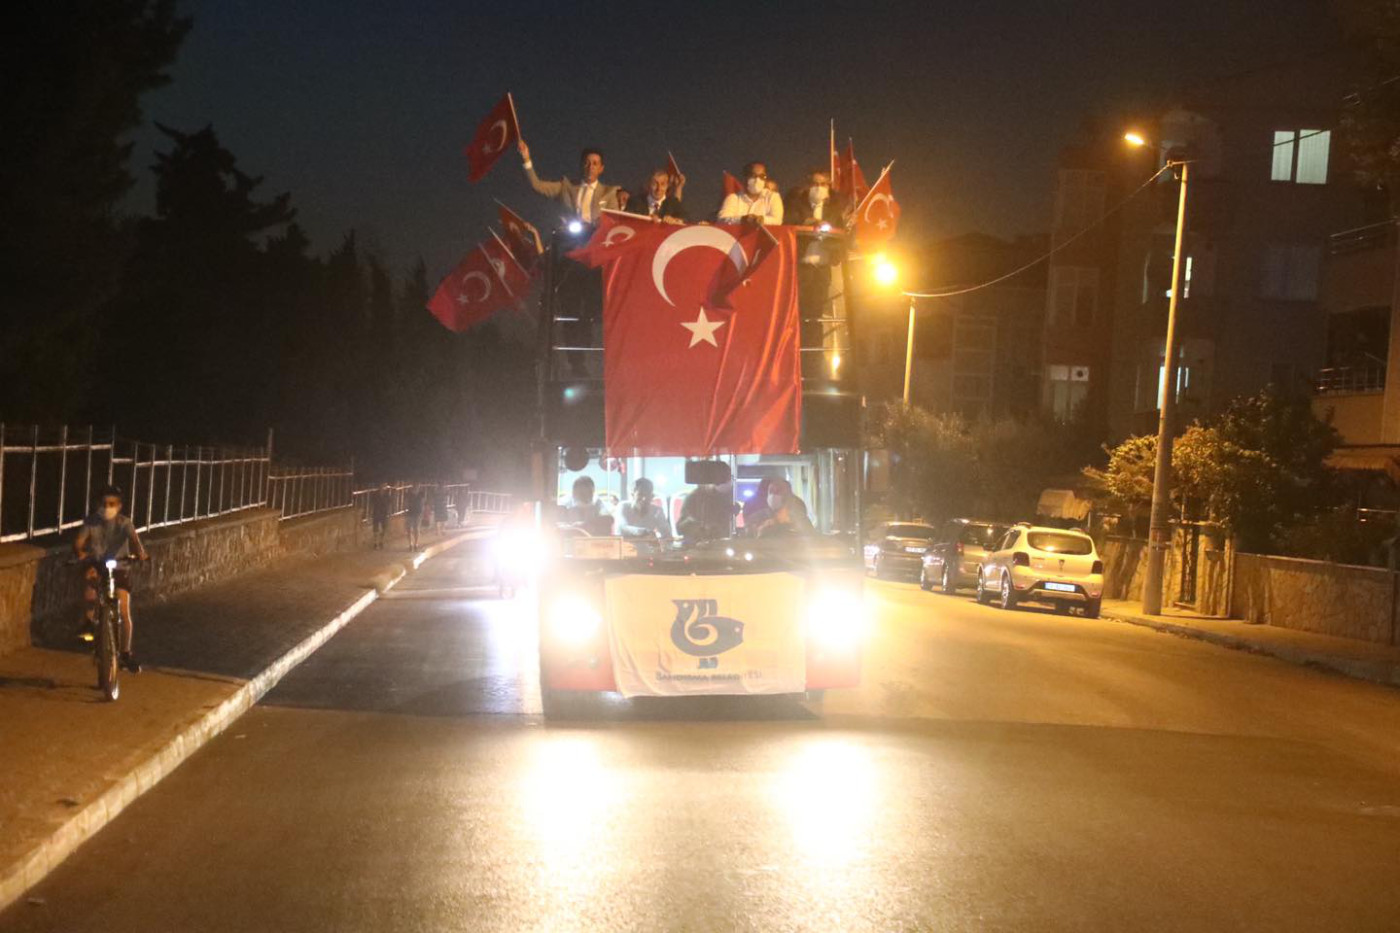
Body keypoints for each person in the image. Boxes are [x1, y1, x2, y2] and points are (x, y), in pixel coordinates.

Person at [73, 485, 150, 673]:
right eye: (104, 503)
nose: (107, 507)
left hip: (120, 567)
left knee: (123, 611)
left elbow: (136, 542)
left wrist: (141, 555)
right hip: (97, 565)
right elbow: (79, 542)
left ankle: (126, 652)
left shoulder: (125, 524)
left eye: (112, 504)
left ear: (119, 506)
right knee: (90, 588)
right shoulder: (91, 522)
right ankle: (89, 623)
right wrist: (81, 553)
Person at [517, 140, 622, 225]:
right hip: (572, 238)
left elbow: (615, 222)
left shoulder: (609, 193)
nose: (590, 167)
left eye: (595, 164)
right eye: (587, 163)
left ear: (601, 169)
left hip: (596, 239)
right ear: (582, 165)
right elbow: (537, 185)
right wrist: (526, 158)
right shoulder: (566, 187)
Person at [718, 162, 784, 226]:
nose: (757, 179)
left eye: (762, 176)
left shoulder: (773, 197)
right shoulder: (733, 198)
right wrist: (742, 219)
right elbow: (722, 220)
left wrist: (762, 219)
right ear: (745, 178)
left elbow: (777, 220)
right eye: (753, 176)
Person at [746, 478, 814, 537]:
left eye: (778, 491)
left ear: (788, 496)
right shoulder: (756, 518)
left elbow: (812, 540)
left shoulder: (800, 519)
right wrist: (762, 531)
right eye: (771, 491)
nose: (773, 495)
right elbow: (747, 541)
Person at [785, 168, 849, 230]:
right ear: (808, 186)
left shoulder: (836, 206)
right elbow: (789, 222)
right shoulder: (796, 203)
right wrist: (807, 222)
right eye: (815, 184)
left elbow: (841, 227)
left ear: (828, 186)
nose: (819, 187)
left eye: (823, 184)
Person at [369, 482, 392, 549]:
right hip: (376, 512)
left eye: (384, 486)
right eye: (382, 485)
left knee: (384, 528)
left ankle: (381, 541)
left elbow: (389, 504)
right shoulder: (375, 494)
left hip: (384, 512)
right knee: (375, 528)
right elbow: (372, 504)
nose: (383, 487)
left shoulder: (387, 495)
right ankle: (375, 542)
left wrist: (389, 512)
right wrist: (371, 512)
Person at [405, 484, 425, 551]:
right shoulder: (409, 494)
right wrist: (405, 510)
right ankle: (410, 544)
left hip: (418, 513)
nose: (417, 487)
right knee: (409, 529)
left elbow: (423, 503)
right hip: (410, 513)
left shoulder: (421, 494)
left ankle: (416, 543)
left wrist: (422, 512)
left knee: (416, 529)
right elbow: (406, 502)